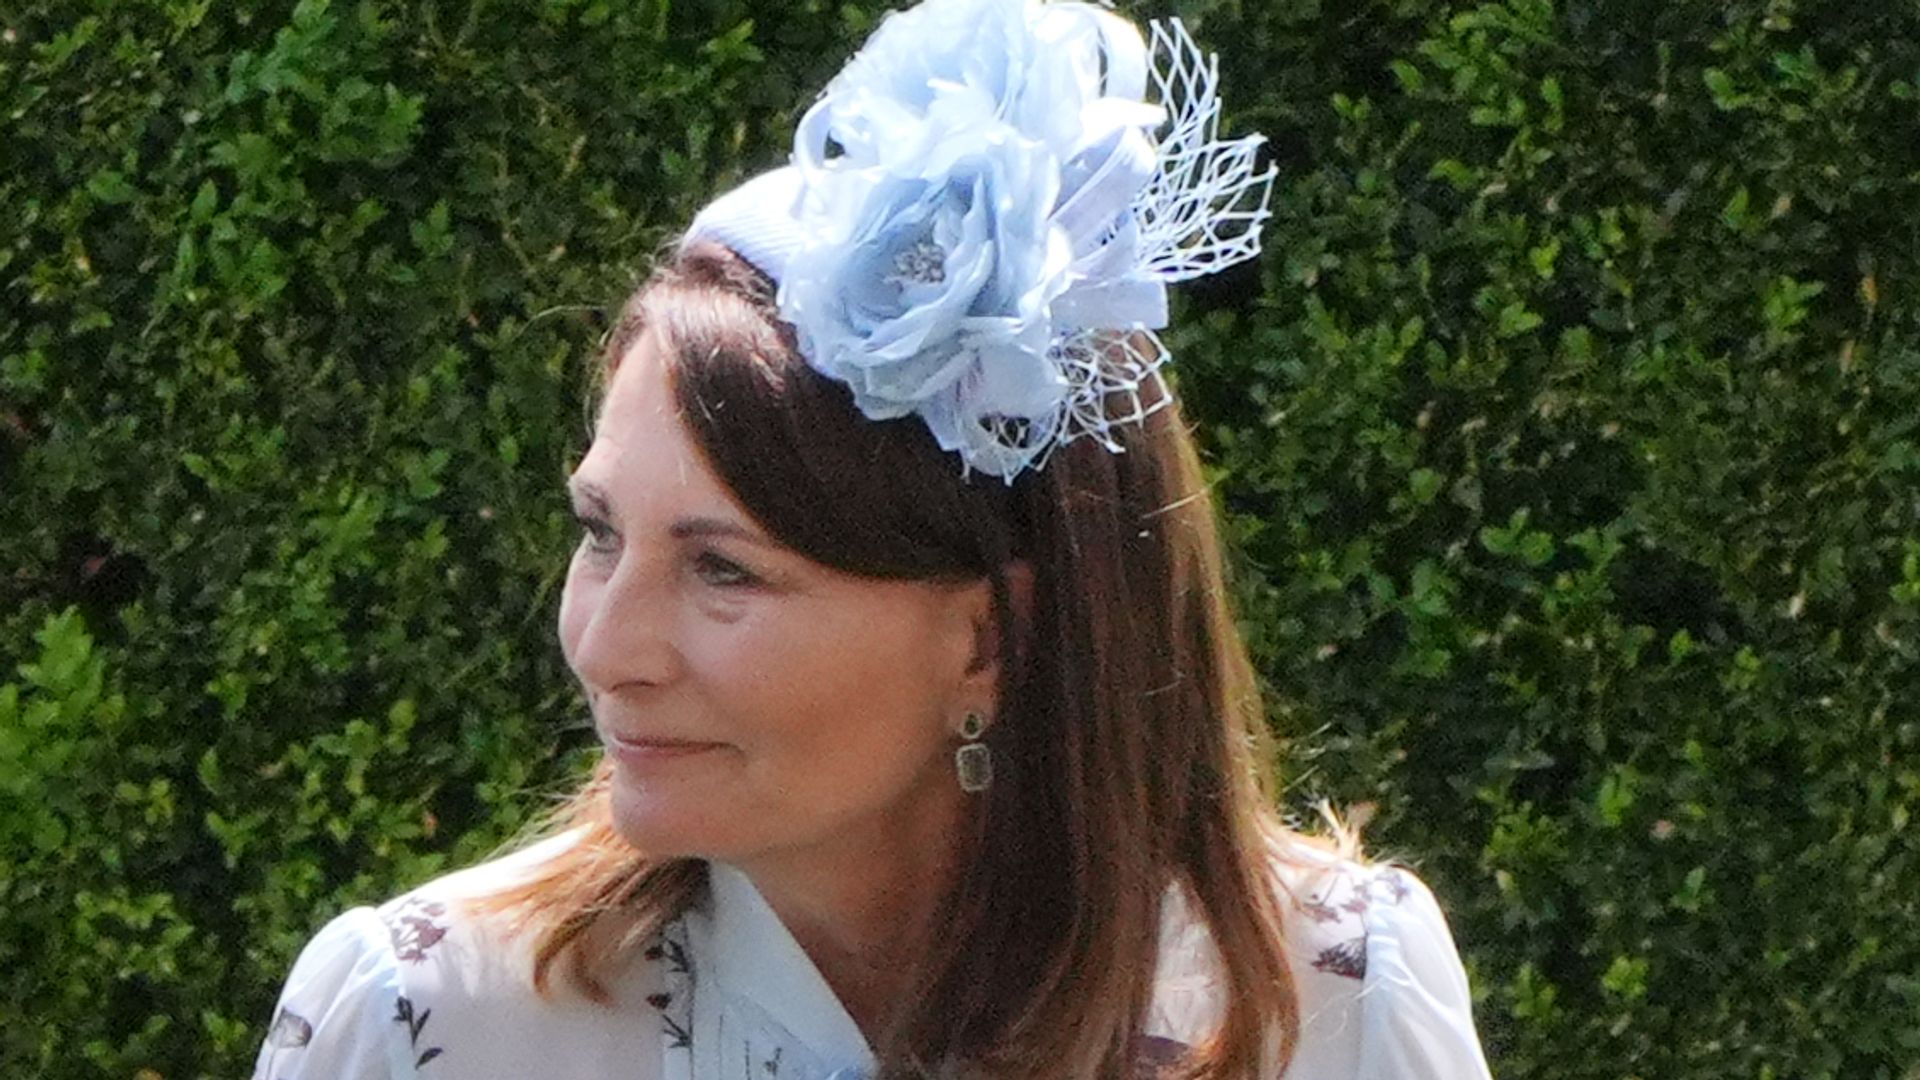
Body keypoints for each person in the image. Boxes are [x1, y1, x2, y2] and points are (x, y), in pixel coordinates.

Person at [250, 1, 1495, 1077]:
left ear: (992, 635)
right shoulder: (430, 1026)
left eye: (722, 569)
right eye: (597, 532)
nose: (606, 646)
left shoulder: (1329, 1006)